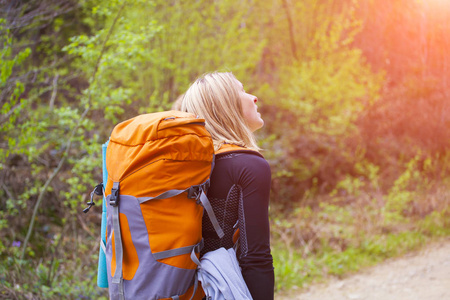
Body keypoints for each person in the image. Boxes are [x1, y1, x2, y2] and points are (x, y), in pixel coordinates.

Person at [180, 72, 274, 300]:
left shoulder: (189, 165)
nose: (254, 97)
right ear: (225, 106)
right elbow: (255, 258)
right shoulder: (247, 165)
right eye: (241, 91)